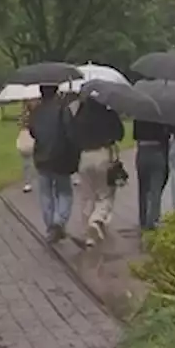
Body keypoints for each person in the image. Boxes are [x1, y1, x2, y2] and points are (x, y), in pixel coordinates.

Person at [71, 96, 123, 247]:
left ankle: (89, 236)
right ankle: (97, 219)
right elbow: (120, 133)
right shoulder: (108, 114)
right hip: (103, 155)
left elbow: (73, 137)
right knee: (105, 194)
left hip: (85, 156)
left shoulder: (79, 115)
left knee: (87, 197)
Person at [28, 85, 78, 242]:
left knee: (45, 194)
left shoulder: (36, 111)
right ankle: (59, 221)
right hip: (61, 157)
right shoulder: (63, 109)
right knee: (64, 191)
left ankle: (50, 226)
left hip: (41, 158)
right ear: (56, 91)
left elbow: (32, 132)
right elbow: (70, 132)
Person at [134, 119, 170, 232]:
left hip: (142, 151)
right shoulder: (161, 117)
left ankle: (143, 219)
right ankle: (153, 219)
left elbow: (135, 135)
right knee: (156, 189)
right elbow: (166, 137)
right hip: (157, 152)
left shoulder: (139, 117)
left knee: (143, 188)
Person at [16, 99, 37, 193]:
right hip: (27, 137)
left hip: (37, 136)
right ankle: (28, 182)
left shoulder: (39, 112)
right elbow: (20, 125)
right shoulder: (24, 114)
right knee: (27, 162)